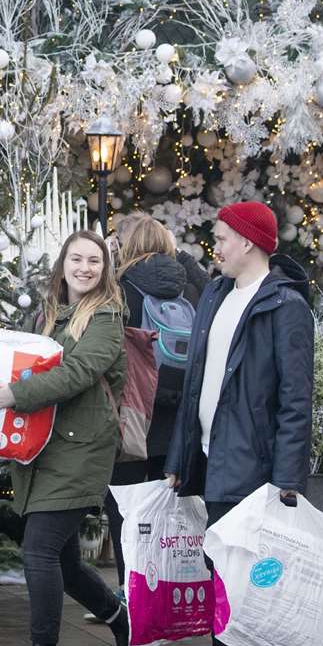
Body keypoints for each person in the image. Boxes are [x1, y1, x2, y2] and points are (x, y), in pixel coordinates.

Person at [0, 229, 140, 646]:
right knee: (67, 563)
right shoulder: (49, 315)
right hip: (44, 448)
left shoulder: (107, 318)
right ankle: (126, 625)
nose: (85, 268)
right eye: (77, 259)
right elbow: (13, 365)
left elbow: (77, 372)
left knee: (38, 550)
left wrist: (15, 395)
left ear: (105, 269)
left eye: (94, 261)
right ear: (63, 265)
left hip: (81, 450)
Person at [164, 201, 314, 646]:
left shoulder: (285, 306)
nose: (218, 246)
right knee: (231, 561)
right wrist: (179, 460)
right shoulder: (217, 293)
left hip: (253, 458)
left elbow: (296, 399)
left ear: (248, 241)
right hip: (211, 452)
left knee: (234, 564)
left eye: (223, 237)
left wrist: (288, 480)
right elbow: (196, 386)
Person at [100, 214, 194, 601]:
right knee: (169, 512)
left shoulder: (119, 289)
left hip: (133, 415)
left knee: (125, 507)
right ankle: (167, 592)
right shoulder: (189, 289)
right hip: (178, 420)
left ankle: (131, 594)